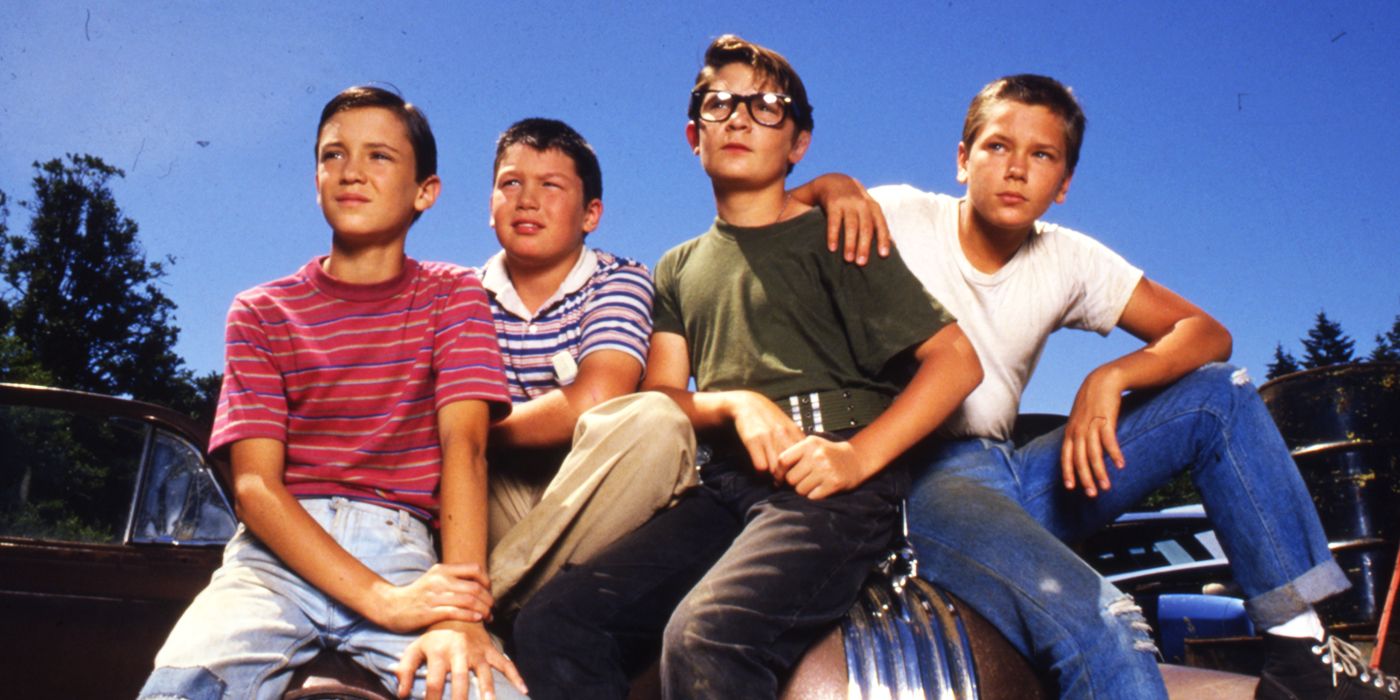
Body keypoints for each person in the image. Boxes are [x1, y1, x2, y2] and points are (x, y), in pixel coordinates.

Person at [832, 73, 1386, 699]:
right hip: (927, 482)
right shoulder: (902, 213)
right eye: (996, 147)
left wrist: (1113, 374)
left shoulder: (1068, 258)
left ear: (1063, 184)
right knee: (1109, 623)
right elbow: (775, 219)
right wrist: (836, 186)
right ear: (962, 160)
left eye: (1041, 155)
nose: (1016, 169)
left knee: (1219, 395)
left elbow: (1204, 331)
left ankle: (1296, 649)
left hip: (1018, 471)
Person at [510, 35, 982, 699]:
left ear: (798, 144)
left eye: (766, 107)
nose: (738, 117)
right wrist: (734, 403)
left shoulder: (837, 231)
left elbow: (956, 363)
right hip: (726, 484)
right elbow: (664, 398)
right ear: (692, 135)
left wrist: (855, 459)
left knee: (707, 634)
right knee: (554, 621)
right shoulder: (675, 267)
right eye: (719, 104)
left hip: (835, 483)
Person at [139, 86, 528, 700]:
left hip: (401, 546)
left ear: (425, 191)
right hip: (274, 558)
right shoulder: (262, 311)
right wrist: (381, 602)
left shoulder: (453, 295)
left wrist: (457, 613)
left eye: (379, 156)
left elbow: (466, 448)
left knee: (489, 692)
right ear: (315, 177)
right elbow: (256, 487)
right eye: (332, 155)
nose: (350, 171)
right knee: (179, 686)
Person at [476, 118, 697, 617]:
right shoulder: (460, 295)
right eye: (510, 183)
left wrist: (472, 427)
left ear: (591, 213)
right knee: (443, 453)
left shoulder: (620, 279)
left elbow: (598, 395)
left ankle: (485, 603)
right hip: (499, 497)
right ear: (490, 206)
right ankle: (521, 601)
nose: (527, 200)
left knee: (659, 421)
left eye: (551, 185)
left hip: (598, 498)